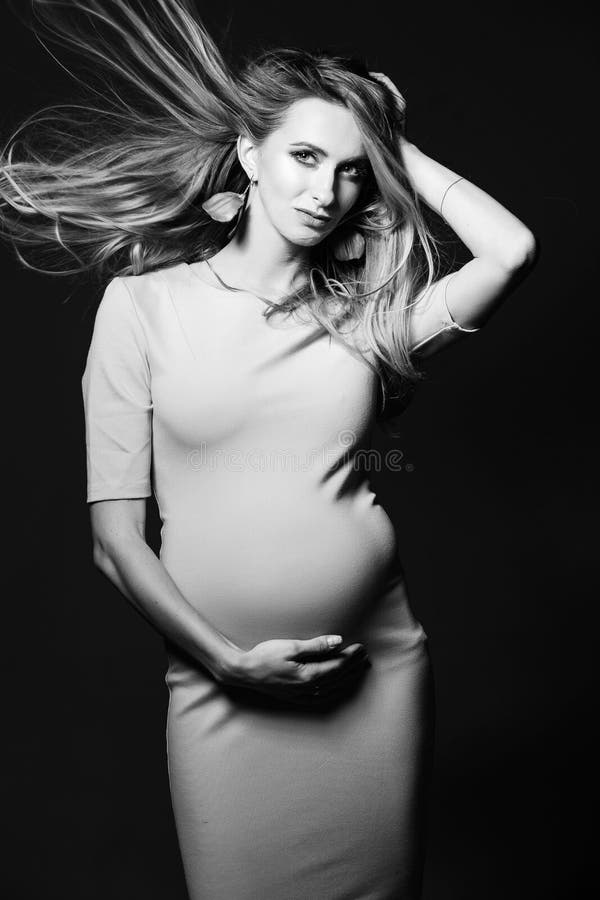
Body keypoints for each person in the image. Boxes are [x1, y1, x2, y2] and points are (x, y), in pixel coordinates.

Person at [0, 2, 538, 897]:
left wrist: (386, 137)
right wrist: (223, 659)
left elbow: (512, 250)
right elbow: (115, 540)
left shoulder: (367, 322)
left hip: (375, 669)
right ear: (249, 154)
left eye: (352, 171)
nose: (325, 190)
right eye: (303, 156)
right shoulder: (143, 306)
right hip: (225, 688)